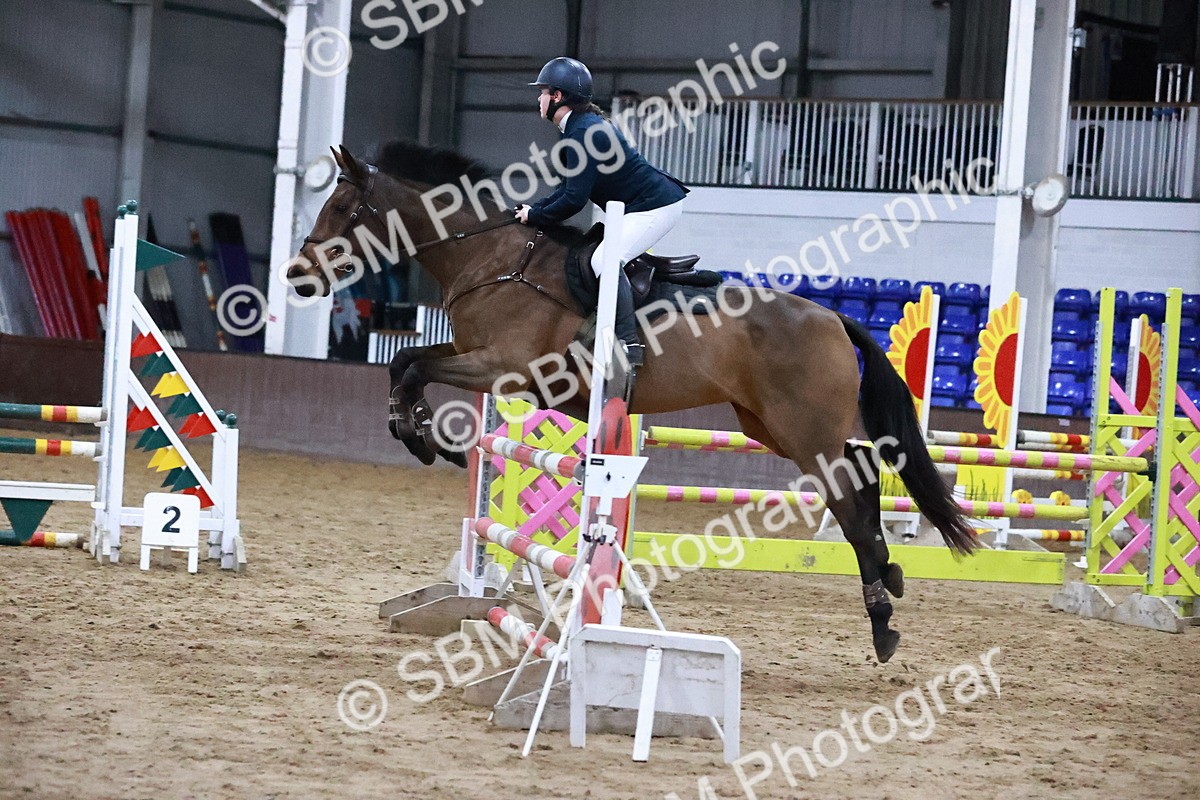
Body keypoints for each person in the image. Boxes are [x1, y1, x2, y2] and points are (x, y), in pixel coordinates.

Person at [516, 57, 689, 368]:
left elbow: (573, 200)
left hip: (655, 206)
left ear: (558, 97)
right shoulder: (577, 128)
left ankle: (629, 343)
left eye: (542, 92)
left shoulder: (583, 132)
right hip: (638, 206)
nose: (538, 99)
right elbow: (566, 191)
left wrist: (536, 217)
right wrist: (534, 210)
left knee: (604, 261)